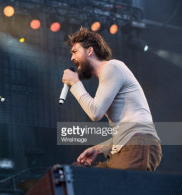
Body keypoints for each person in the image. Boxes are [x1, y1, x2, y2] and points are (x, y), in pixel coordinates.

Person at [62, 27, 162, 171]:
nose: (72, 58)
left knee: (116, 189)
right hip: (126, 147)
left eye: (75, 51)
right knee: (81, 175)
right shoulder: (108, 76)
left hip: (137, 144)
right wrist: (99, 148)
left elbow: (95, 113)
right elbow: (124, 128)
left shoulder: (113, 67)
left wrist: (75, 83)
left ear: (89, 51)